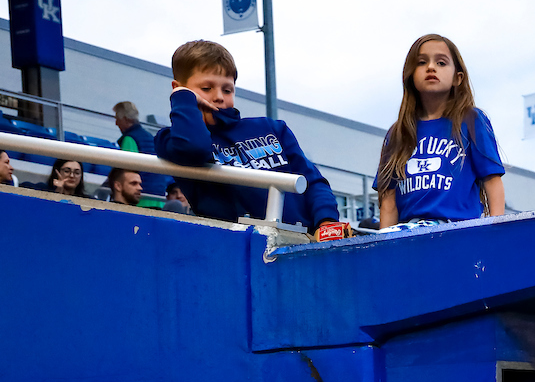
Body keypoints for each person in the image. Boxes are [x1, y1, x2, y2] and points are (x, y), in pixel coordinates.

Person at [153, 40, 340, 233]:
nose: (219, 96)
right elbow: (194, 149)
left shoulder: (272, 128)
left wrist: (326, 221)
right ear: (179, 88)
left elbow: (313, 180)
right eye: (206, 88)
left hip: (303, 240)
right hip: (238, 248)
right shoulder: (170, 139)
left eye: (227, 89)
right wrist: (183, 98)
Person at [375, 34, 504, 230]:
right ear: (410, 75)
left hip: (459, 230)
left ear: (457, 78)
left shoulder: (471, 120)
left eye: (441, 62)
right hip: (409, 234)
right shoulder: (398, 133)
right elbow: (389, 200)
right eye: (421, 62)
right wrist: (385, 247)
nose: (431, 67)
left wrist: (496, 231)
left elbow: (492, 181)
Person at [112, 101, 168, 199]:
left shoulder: (130, 139)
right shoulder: (150, 137)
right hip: (158, 195)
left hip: (141, 196)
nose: (116, 123)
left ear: (125, 119)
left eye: (117, 119)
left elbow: (128, 170)